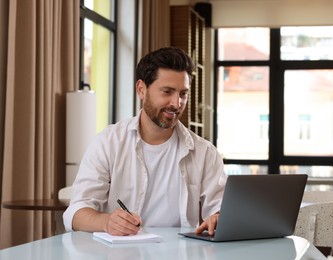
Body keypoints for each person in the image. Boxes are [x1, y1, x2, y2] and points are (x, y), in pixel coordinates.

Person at [63, 47, 227, 236]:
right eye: (167, 92)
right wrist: (107, 222)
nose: (176, 103)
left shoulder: (205, 153)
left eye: (183, 94)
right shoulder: (108, 143)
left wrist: (219, 217)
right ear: (141, 89)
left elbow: (220, 208)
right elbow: (76, 213)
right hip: (119, 255)